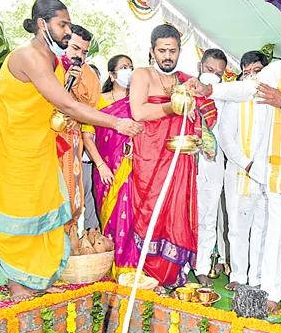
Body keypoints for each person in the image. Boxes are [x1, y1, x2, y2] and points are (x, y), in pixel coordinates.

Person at [0, 0, 142, 301]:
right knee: (20, 212)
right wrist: (116, 123)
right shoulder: (27, 56)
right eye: (62, 24)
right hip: (13, 148)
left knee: (48, 209)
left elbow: (58, 103)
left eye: (68, 23)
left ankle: (39, 279)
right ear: (43, 24)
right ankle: (17, 282)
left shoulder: (53, 61)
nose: (67, 30)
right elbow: (65, 104)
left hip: (41, 146)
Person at [190, 22, 281, 313]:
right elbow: (246, 89)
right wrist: (210, 89)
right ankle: (271, 291)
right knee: (274, 229)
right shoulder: (274, 71)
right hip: (277, 167)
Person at [129, 24, 217, 290]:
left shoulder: (186, 79)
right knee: (148, 211)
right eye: (162, 50)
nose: (167, 56)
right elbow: (139, 112)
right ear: (152, 51)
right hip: (149, 158)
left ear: (180, 51)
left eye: (173, 50)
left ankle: (170, 275)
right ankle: (145, 273)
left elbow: (209, 115)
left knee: (176, 211)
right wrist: (174, 106)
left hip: (179, 159)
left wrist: (198, 98)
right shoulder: (142, 75)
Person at [83, 54, 140, 278]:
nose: (129, 70)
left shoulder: (137, 102)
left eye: (131, 66)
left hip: (133, 168)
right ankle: (110, 267)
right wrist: (101, 166)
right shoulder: (99, 101)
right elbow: (88, 137)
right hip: (106, 170)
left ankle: (131, 268)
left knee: (133, 218)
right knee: (111, 218)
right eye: (124, 67)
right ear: (112, 74)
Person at [218, 50, 270, 291]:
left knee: (262, 228)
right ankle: (238, 275)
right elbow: (227, 138)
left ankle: (257, 277)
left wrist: (263, 165)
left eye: (257, 71)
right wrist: (247, 163)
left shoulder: (273, 100)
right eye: (247, 71)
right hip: (239, 172)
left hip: (267, 175)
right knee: (237, 229)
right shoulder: (235, 100)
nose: (252, 76)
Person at [58, 24, 96, 238]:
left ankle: (68, 250)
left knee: (71, 198)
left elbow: (91, 112)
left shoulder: (89, 76)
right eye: (74, 48)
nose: (79, 56)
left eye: (84, 51)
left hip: (71, 144)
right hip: (44, 142)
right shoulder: (46, 67)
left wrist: (77, 85)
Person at [194, 48, 228, 287]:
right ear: (200, 66)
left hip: (215, 164)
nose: (213, 76)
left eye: (219, 73)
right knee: (185, 215)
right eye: (209, 70)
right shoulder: (184, 91)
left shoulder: (225, 98)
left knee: (208, 217)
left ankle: (202, 266)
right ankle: (180, 263)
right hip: (188, 162)